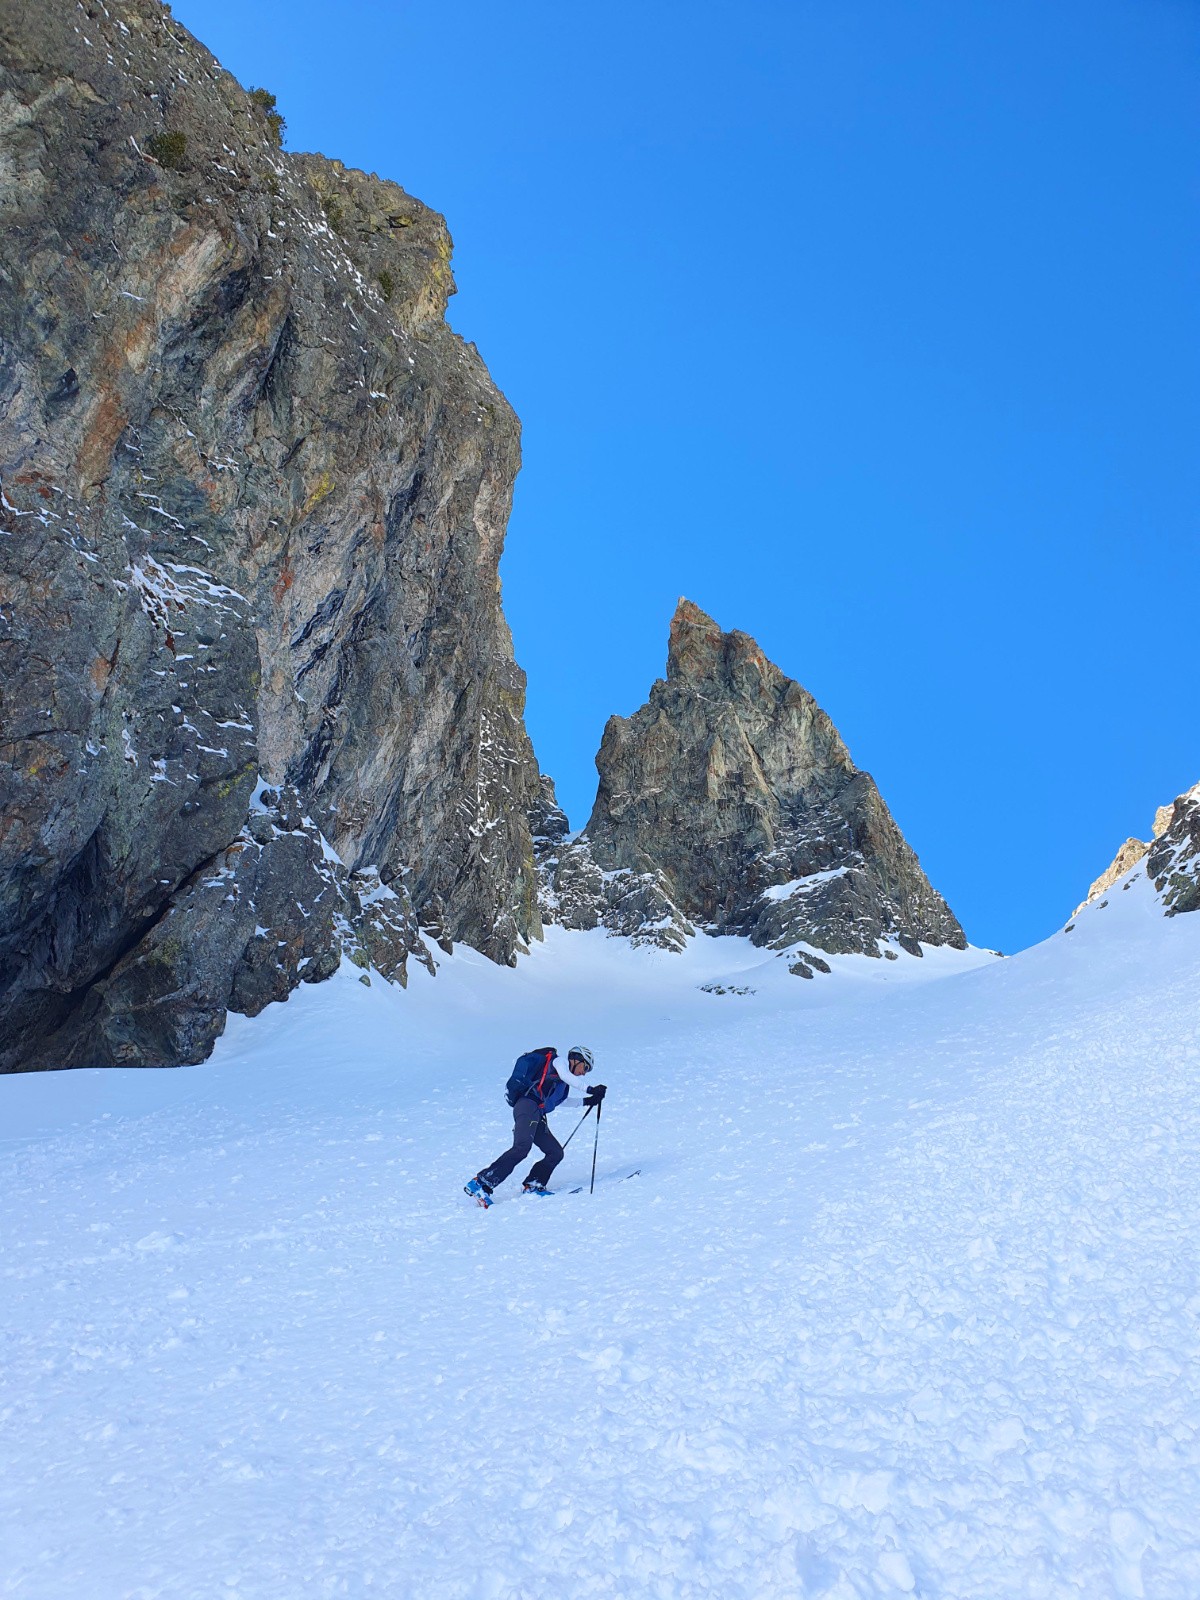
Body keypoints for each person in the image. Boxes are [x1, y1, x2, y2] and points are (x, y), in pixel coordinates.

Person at [464, 1046, 605, 1206]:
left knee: (555, 1152)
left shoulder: (562, 1085)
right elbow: (566, 1076)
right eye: (585, 1067)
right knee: (522, 1147)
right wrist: (590, 1089)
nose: (584, 1072)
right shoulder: (559, 1062)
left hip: (537, 1113)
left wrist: (588, 1101)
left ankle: (534, 1185)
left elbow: (562, 1101)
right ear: (576, 1059)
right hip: (527, 1106)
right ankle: (481, 1183)